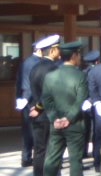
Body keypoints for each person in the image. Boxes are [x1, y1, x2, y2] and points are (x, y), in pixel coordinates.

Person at [42, 40, 88, 176]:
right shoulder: (80, 75)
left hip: (56, 124)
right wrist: (69, 118)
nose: (80, 58)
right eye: (79, 55)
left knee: (52, 159)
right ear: (74, 56)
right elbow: (80, 100)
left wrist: (54, 118)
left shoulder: (50, 76)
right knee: (75, 161)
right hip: (75, 124)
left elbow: (46, 99)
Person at [28, 34, 61, 176]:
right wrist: (38, 107)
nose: (60, 52)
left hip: (37, 116)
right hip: (48, 115)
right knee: (52, 151)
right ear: (52, 51)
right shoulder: (53, 68)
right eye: (58, 49)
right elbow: (48, 93)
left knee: (40, 150)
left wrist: (35, 107)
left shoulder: (35, 68)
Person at [15, 38, 43, 167]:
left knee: (27, 130)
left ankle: (26, 157)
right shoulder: (38, 63)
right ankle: (37, 158)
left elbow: (18, 80)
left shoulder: (26, 61)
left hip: (24, 99)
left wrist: (19, 97)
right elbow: (34, 82)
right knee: (37, 131)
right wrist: (27, 97)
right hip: (34, 99)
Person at [86, 48, 101, 172]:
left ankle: (98, 163)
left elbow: (92, 89)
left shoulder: (94, 71)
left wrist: (97, 101)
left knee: (99, 136)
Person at [81, 50, 101, 159]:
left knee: (85, 129)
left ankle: (84, 151)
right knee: (95, 130)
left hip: (85, 103)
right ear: (97, 61)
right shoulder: (96, 72)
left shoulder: (83, 72)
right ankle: (95, 152)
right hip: (95, 102)